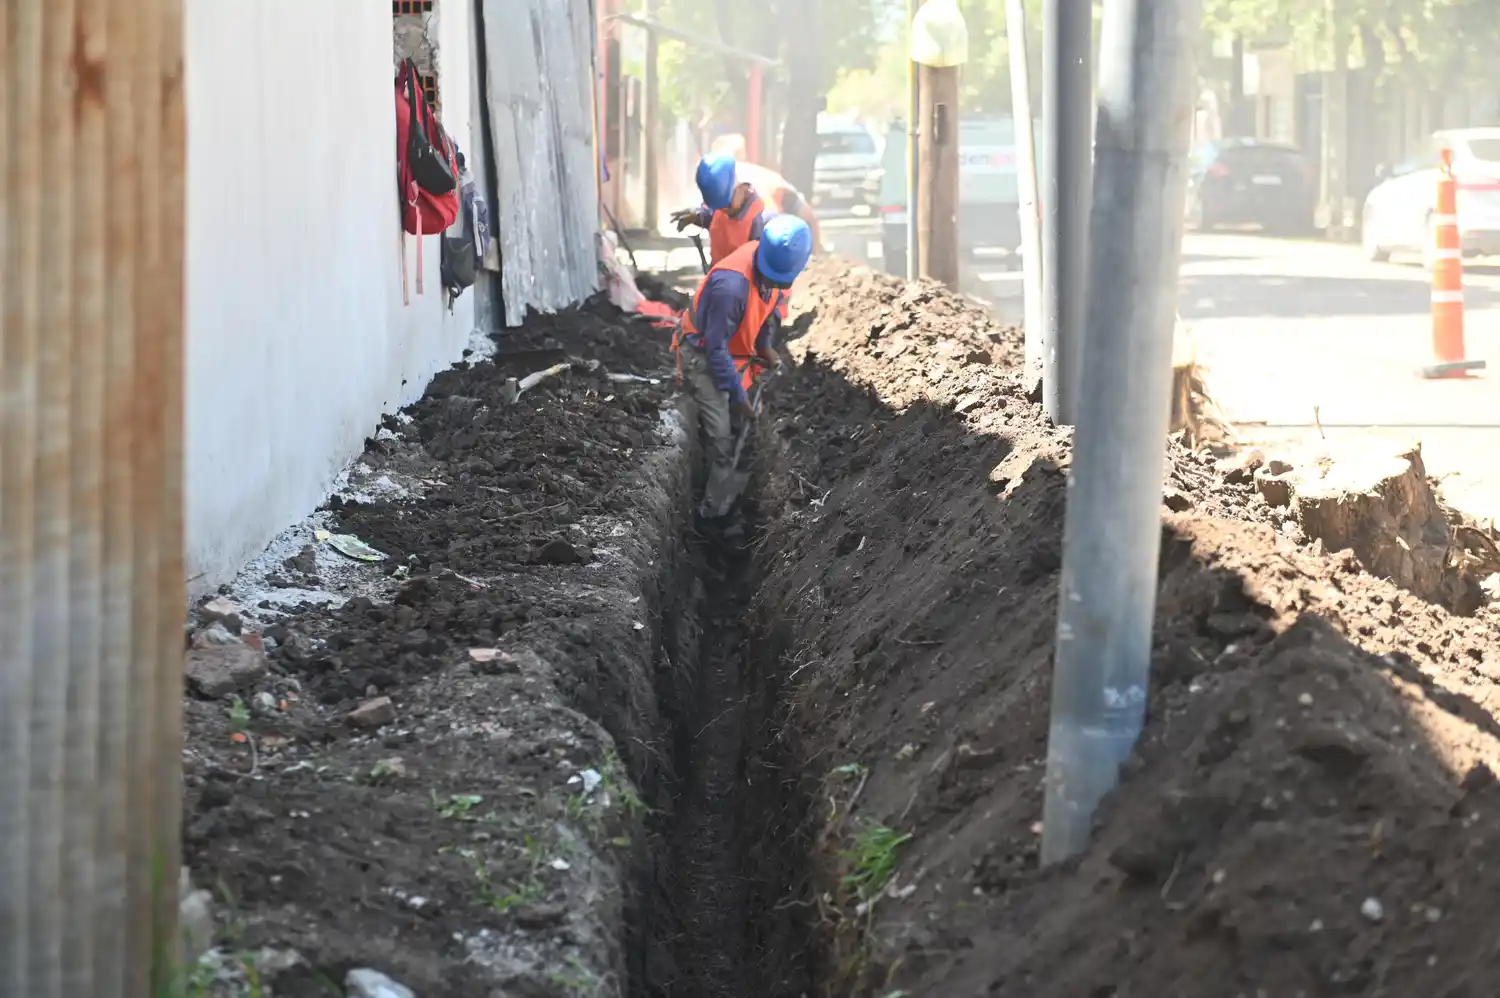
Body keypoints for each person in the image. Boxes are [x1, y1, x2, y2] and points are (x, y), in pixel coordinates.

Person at [674, 214, 814, 524]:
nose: (779, 283)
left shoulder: (773, 267)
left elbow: (765, 309)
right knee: (723, 440)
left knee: (744, 431)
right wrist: (738, 396)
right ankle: (710, 516)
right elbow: (716, 349)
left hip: (733, 351)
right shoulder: (731, 286)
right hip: (702, 355)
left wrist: (765, 347)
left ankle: (736, 499)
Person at [669, 154, 774, 267]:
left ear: (740, 187)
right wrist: (697, 217)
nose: (723, 210)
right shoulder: (723, 204)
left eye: (726, 205)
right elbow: (714, 220)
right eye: (718, 207)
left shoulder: (760, 223)